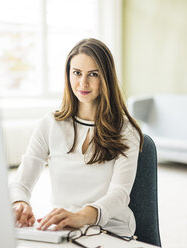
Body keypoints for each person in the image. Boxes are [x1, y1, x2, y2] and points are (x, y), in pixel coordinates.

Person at [9, 38, 144, 237]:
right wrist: (20, 202)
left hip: (110, 230)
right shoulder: (50, 123)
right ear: (68, 75)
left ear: (106, 77)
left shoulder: (126, 130)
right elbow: (21, 182)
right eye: (77, 73)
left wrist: (82, 216)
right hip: (64, 229)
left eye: (93, 74)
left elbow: (119, 195)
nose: (83, 83)